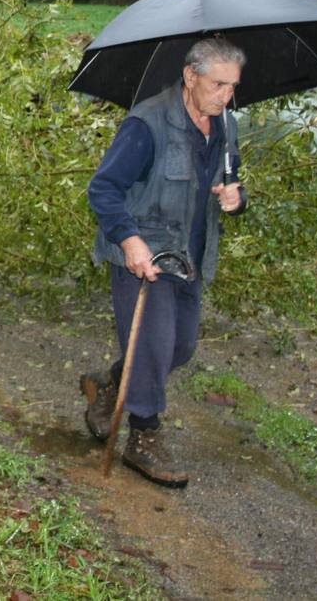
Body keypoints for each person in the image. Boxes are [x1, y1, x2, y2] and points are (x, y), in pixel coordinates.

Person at [81, 37, 247, 487]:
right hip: (145, 257)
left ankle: (112, 382)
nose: (226, 96)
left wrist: (236, 198)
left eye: (232, 87)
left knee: (181, 347)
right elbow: (104, 189)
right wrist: (131, 241)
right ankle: (144, 438)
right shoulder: (147, 121)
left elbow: (232, 185)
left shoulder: (226, 126)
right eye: (218, 84)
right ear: (190, 76)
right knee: (153, 347)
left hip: (190, 256)